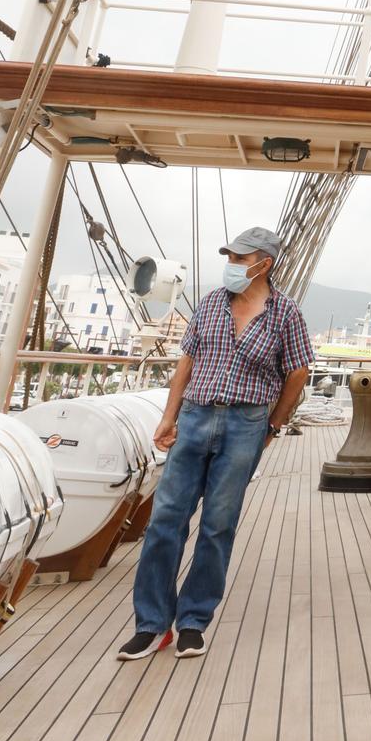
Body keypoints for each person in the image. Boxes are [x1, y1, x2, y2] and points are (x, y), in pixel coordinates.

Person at [116, 227, 313, 660]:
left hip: (246, 423)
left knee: (218, 524)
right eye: (231, 257)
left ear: (265, 264)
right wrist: (169, 416)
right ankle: (151, 624)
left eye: (240, 259)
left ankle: (192, 621)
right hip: (196, 416)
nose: (232, 265)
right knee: (165, 519)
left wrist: (273, 425)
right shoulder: (210, 304)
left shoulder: (285, 314)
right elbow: (187, 359)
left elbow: (299, 370)